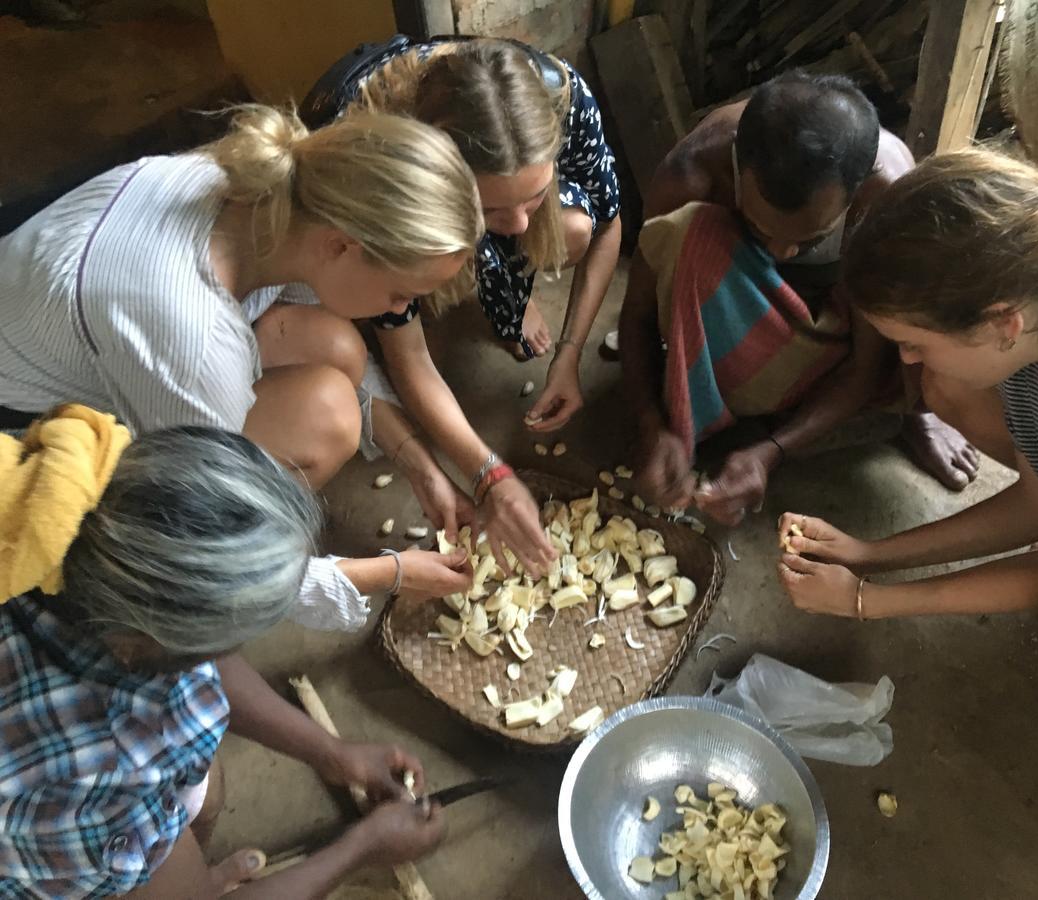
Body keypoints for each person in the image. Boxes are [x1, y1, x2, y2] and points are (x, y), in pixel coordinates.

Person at [0, 103, 553, 630]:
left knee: (336, 347)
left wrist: (424, 469)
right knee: (324, 423)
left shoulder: (277, 198)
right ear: (341, 247)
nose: (394, 310)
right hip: (24, 420)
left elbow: (332, 338)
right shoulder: (193, 340)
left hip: (68, 322)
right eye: (397, 292)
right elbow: (211, 556)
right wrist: (390, 573)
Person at [777, 148, 1038, 783]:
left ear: (1003, 323)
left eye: (913, 343)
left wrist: (866, 602)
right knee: (954, 389)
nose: (909, 363)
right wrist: (868, 553)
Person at [0, 406, 444, 897]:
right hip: (35, 844)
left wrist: (332, 752)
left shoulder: (53, 507)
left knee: (200, 799)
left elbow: (200, 660)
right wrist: (363, 847)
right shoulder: (120, 760)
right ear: (147, 648)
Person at [621, 70, 979, 525]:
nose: (782, 251)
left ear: (857, 189)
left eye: (809, 237)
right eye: (760, 229)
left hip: (845, 310)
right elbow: (635, 315)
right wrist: (650, 423)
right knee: (683, 235)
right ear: (738, 163)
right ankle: (772, 400)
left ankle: (910, 414)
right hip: (758, 302)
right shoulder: (691, 173)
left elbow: (867, 366)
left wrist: (771, 452)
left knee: (930, 343)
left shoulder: (884, 190)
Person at [301, 35, 622, 433]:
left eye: (536, 195)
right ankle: (443, 284)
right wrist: (487, 472)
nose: (522, 225)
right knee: (400, 331)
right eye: (489, 209)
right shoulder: (375, 172)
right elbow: (411, 357)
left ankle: (504, 279)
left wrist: (569, 353)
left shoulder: (566, 99)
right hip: (385, 165)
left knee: (572, 227)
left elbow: (609, 223)